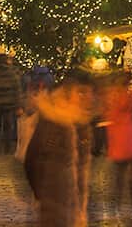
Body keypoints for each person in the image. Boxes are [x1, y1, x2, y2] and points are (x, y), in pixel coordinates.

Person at [24, 71, 94, 227]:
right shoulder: (52, 121)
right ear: (67, 94)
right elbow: (31, 160)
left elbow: (83, 168)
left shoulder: (82, 123)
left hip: (76, 207)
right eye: (81, 93)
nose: (86, 98)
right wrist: (43, 196)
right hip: (53, 206)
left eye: (88, 93)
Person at [104, 73, 132, 224]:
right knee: (126, 180)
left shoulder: (122, 98)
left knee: (127, 180)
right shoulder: (125, 98)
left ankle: (125, 210)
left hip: (127, 143)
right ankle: (129, 211)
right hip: (126, 143)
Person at [0, 55, 21, 155]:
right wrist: (18, 105)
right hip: (10, 104)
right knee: (8, 128)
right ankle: (7, 149)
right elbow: (17, 91)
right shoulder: (13, 74)